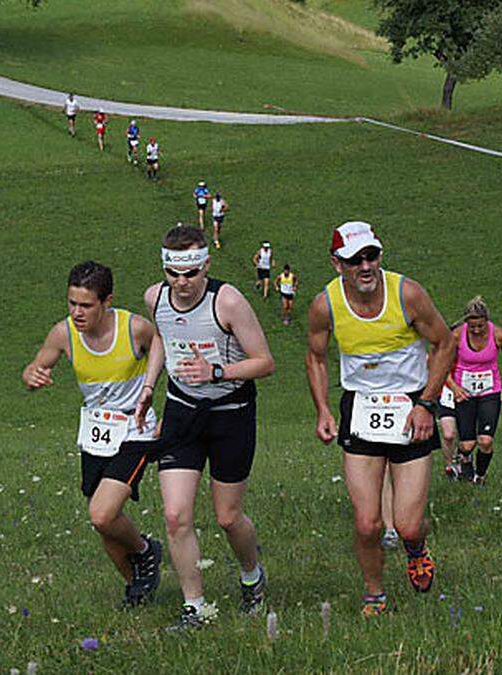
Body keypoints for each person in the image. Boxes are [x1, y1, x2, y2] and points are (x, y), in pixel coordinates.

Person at [305, 221, 454, 617]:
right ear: (338, 264)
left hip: (412, 406)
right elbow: (315, 357)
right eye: (355, 260)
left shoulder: (407, 294)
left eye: (371, 256)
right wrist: (322, 408)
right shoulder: (326, 304)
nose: (365, 266)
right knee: (367, 524)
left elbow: (444, 343)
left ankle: (416, 549)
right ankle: (374, 593)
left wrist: (427, 404)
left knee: (407, 524)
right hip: (361, 407)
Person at [134, 225, 276, 630]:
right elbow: (162, 337)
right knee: (176, 516)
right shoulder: (155, 297)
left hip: (231, 413)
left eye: (191, 274)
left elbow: (265, 362)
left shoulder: (228, 301)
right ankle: (195, 607)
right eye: (173, 274)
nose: (181, 283)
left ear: (205, 266)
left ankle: (252, 575)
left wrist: (217, 371)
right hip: (181, 412)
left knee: (228, 518)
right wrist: (148, 387)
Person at [21, 262, 164, 607]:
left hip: (135, 430)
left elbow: (164, 349)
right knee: (104, 523)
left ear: (107, 301)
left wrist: (154, 395)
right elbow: (36, 365)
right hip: (96, 433)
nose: (77, 312)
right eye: (72, 303)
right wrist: (31, 376)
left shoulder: (135, 328)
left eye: (85, 305)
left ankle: (147, 550)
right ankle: (137, 590)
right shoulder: (63, 334)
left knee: (101, 513)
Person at [446, 297, 502, 485]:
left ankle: (480, 477)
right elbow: (442, 365)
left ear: (487, 321)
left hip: (490, 391)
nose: (476, 330)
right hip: (464, 392)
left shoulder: (499, 335)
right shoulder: (456, 336)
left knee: (485, 441)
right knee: (467, 444)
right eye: (472, 327)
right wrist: (454, 388)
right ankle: (462, 459)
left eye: (480, 326)